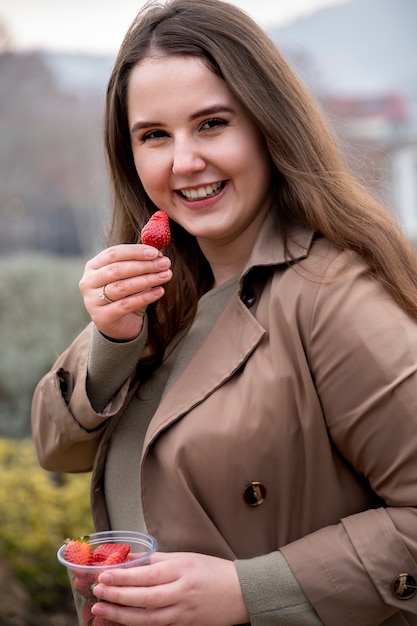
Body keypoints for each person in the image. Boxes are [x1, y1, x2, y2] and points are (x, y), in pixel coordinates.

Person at [31, 0, 417, 623]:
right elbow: (56, 448)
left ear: (268, 126)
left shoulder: (334, 295)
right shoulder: (163, 289)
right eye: (154, 135)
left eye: (211, 124)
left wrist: (247, 591)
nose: (184, 161)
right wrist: (111, 337)